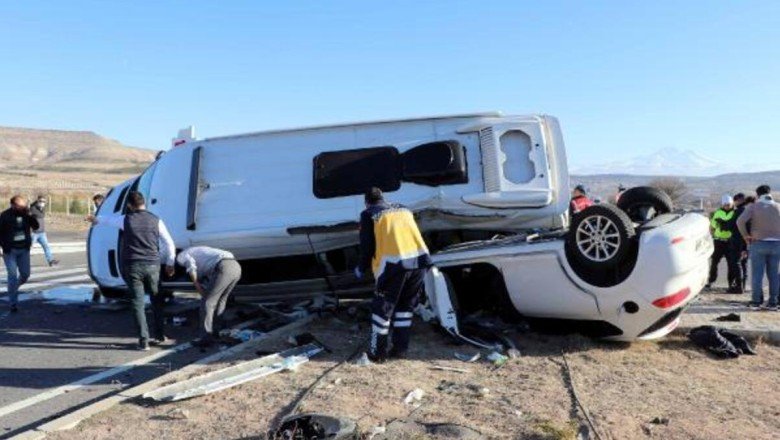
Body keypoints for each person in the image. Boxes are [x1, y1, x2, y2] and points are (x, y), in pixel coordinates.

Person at [89, 191, 176, 350]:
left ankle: (143, 341)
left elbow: (109, 220)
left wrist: (96, 219)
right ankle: (160, 335)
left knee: (138, 302)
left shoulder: (126, 219)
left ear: (129, 205)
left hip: (132, 265)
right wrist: (170, 262)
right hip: (153, 265)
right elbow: (169, 243)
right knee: (157, 300)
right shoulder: (156, 220)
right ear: (144, 203)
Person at [355, 187, 432, 363]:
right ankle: (400, 350)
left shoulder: (369, 215)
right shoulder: (404, 209)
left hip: (393, 267)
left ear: (367, 202)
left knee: (382, 310)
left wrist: (361, 267)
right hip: (419, 262)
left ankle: (377, 353)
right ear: (384, 198)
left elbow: (367, 246)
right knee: (405, 308)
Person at [176, 246, 242, 348]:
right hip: (236, 266)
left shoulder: (181, 255)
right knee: (221, 300)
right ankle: (217, 331)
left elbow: (191, 266)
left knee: (207, 303)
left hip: (224, 267)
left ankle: (205, 338)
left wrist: (197, 285)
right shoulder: (197, 251)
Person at [737, 185, 780, 310]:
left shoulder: (753, 206)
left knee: (757, 274)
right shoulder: (778, 206)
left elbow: (740, 221)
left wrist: (746, 236)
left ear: (757, 195)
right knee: (774, 275)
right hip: (777, 244)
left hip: (758, 243)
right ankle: (773, 302)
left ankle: (756, 302)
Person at [0, 196, 40, 312]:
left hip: (24, 249)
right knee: (12, 276)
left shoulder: (26, 215)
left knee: (25, 274)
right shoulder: (5, 216)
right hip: (10, 250)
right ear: (13, 205)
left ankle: (14, 288)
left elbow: (36, 226)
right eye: (20, 206)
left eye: (24, 206)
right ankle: (13, 303)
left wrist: (29, 215)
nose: (23, 208)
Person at [705, 194, 738, 291]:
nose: (727, 206)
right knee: (714, 262)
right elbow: (712, 226)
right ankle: (711, 280)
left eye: (729, 204)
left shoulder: (734, 213)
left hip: (730, 242)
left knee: (731, 263)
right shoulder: (718, 212)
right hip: (719, 241)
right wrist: (712, 234)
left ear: (732, 204)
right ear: (722, 204)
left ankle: (731, 283)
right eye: (725, 204)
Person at [725, 193, 747, 293]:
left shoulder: (738, 211)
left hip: (737, 239)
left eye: (735, 201)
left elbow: (730, 225)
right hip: (747, 240)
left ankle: (739, 287)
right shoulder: (749, 210)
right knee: (744, 263)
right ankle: (743, 285)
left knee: (736, 263)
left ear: (739, 200)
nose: (734, 203)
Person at [29, 196, 59, 267]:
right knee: (28, 248)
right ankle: (22, 261)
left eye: (44, 202)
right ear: (37, 201)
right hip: (34, 233)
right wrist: (35, 204)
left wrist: (40, 207)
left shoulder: (42, 208)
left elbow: (42, 214)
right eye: (41, 201)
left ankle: (51, 261)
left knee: (46, 247)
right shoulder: (33, 208)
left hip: (42, 233)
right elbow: (40, 215)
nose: (43, 203)